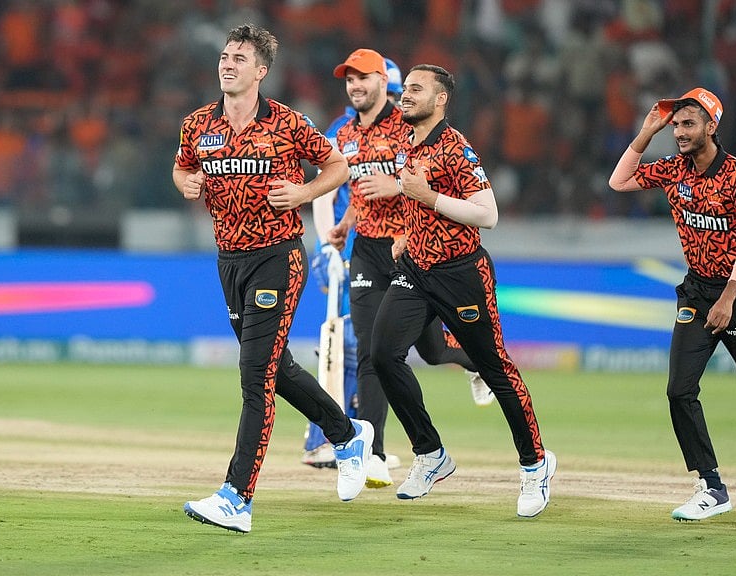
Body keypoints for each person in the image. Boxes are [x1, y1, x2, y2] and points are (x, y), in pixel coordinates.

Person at [172, 24, 373, 534]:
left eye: (239, 58)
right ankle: (348, 436)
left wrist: (304, 195)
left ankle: (236, 497)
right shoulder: (198, 124)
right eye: (224, 56)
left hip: (277, 257)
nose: (228, 64)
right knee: (276, 369)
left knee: (254, 376)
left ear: (261, 71)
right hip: (229, 260)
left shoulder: (286, 122)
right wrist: (188, 182)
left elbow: (338, 166)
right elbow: (180, 168)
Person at [371, 64, 556, 518]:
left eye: (416, 90)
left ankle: (535, 465)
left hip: (461, 274)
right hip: (415, 268)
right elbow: (410, 194)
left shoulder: (456, 148)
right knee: (382, 353)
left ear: (441, 101)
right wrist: (406, 231)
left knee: (495, 368)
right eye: (406, 88)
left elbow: (487, 213)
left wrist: (429, 198)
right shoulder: (403, 138)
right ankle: (431, 454)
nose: (406, 95)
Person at [304, 50, 495, 487]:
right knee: (372, 349)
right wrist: (344, 225)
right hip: (369, 250)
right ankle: (373, 452)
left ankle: (473, 362)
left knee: (430, 351)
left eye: (362, 79)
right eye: (348, 80)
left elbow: (422, 180)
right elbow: (358, 188)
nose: (354, 87)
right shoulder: (347, 133)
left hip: (411, 249)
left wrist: (394, 186)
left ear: (381, 81)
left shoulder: (407, 127)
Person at [608, 88, 736, 527]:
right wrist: (647, 131)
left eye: (689, 124)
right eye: (675, 125)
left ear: (712, 126)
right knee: (678, 390)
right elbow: (619, 181)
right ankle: (711, 487)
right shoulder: (673, 169)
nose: (679, 132)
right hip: (696, 293)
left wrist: (729, 299)